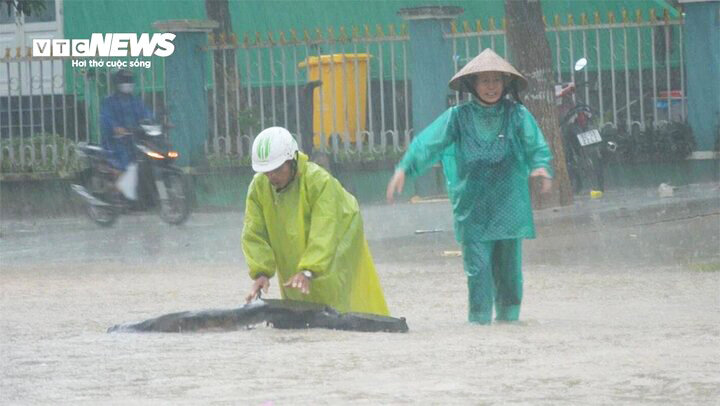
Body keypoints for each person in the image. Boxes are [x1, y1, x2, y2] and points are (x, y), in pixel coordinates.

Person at [386, 48, 553, 325]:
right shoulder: (457, 117)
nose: (491, 87)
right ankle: (479, 327)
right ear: (473, 85)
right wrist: (405, 168)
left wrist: (541, 166)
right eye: (484, 81)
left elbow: (536, 145)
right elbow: (429, 143)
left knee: (510, 274)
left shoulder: (517, 115)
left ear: (505, 83)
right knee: (478, 272)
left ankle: (509, 326)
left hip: (509, 206)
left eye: (496, 80)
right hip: (473, 208)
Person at [242, 126, 389, 316]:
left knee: (329, 288)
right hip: (311, 234)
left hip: (342, 228)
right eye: (266, 171)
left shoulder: (318, 182)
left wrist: (309, 269)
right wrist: (261, 273)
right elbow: (254, 232)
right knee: (296, 288)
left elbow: (325, 229)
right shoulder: (258, 187)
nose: (272, 177)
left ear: (292, 160)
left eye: (277, 169)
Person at [99, 69, 152, 200]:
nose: (127, 84)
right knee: (123, 167)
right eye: (124, 81)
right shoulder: (109, 101)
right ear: (117, 83)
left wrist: (153, 123)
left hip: (133, 141)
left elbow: (147, 114)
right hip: (115, 143)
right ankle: (115, 195)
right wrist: (116, 128)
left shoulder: (135, 101)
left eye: (129, 81)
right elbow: (106, 118)